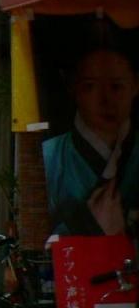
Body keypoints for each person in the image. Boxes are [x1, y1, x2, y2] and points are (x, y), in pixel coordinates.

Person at [43, 43, 139, 236]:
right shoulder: (50, 156)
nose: (105, 99)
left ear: (135, 86)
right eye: (90, 86)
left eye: (116, 86)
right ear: (73, 87)